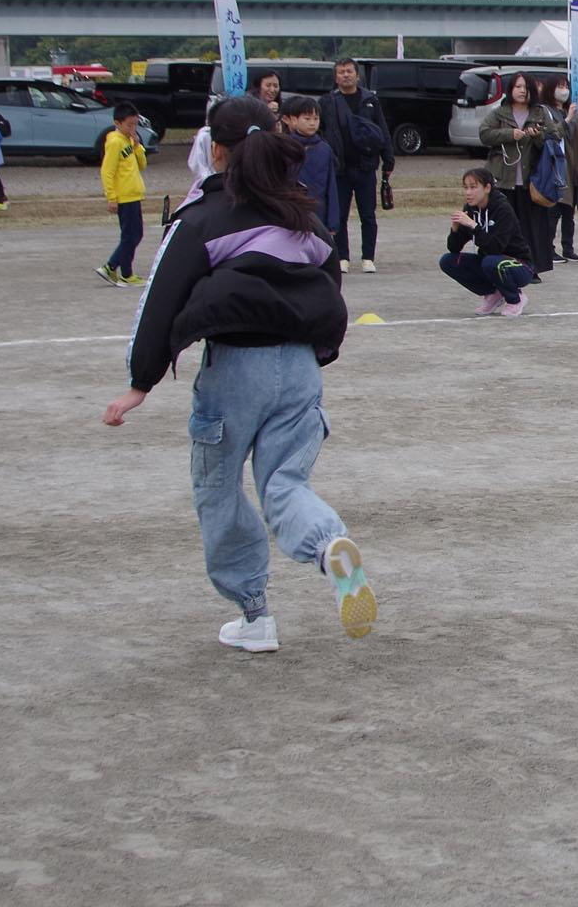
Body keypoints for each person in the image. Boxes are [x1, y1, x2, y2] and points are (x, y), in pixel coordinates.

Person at [103, 96, 373, 653]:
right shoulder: (303, 215)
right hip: (300, 368)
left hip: (234, 371)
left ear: (215, 149)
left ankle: (255, 616)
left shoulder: (200, 218)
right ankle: (329, 547)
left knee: (219, 488)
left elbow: (159, 303)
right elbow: (329, 289)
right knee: (285, 483)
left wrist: (140, 382)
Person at [477, 71, 560, 278]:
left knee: (531, 227)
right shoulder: (500, 112)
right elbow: (484, 134)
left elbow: (554, 137)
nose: (522, 91)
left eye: (526, 87)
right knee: (505, 226)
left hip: (531, 181)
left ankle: (532, 268)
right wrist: (508, 135)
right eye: (518, 87)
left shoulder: (540, 112)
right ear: (511, 89)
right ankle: (502, 266)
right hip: (503, 178)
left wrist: (538, 136)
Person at [319, 57, 393, 273]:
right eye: (341, 72)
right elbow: (321, 130)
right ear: (335, 76)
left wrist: (388, 158)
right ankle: (342, 256)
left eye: (349, 71)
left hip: (366, 166)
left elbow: (382, 130)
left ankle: (368, 257)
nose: (345, 75)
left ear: (357, 75)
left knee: (368, 215)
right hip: (339, 168)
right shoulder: (327, 102)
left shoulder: (370, 100)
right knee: (339, 215)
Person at [441, 165, 540, 316]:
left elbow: (496, 248)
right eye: (465, 188)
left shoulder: (502, 209)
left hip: (519, 265)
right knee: (448, 261)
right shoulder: (471, 209)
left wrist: (473, 226)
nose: (468, 192)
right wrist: (455, 229)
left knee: (491, 261)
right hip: (491, 262)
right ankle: (493, 294)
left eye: (473, 187)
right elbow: (454, 248)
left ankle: (515, 298)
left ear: (487, 188)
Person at [96, 101, 149, 286]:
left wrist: (137, 146)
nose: (132, 128)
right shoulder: (114, 142)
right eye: (129, 125)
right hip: (124, 196)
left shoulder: (129, 141)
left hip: (134, 194)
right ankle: (122, 272)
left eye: (135, 124)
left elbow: (142, 165)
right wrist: (111, 197)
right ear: (118, 124)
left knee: (136, 234)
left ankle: (113, 268)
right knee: (131, 235)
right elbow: (107, 171)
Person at [281, 95, 340, 233]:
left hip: (319, 212)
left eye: (316, 118)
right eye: (307, 119)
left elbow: (331, 186)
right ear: (293, 120)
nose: (312, 123)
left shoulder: (324, 149)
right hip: (292, 212)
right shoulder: (284, 147)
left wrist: (332, 222)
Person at [553, 77, 578, 262]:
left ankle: (568, 247)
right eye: (560, 86)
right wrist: (567, 118)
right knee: (555, 210)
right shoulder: (546, 111)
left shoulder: (570, 110)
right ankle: (548, 248)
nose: (564, 90)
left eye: (566, 86)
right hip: (557, 166)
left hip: (574, 166)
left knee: (570, 210)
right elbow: (553, 133)